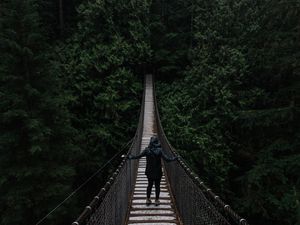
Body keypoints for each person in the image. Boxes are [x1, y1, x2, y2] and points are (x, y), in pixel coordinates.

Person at [127, 136, 178, 206]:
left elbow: (138, 156)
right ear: (157, 143)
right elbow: (167, 160)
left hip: (149, 172)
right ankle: (156, 200)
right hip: (158, 172)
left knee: (149, 185)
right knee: (157, 186)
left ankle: (148, 199)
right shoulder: (160, 150)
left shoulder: (146, 150)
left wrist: (130, 157)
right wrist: (175, 158)